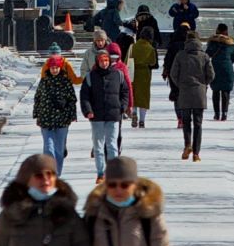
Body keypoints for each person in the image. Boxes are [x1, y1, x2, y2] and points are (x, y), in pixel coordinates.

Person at [79, 44, 128, 175]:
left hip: (113, 115)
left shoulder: (118, 75)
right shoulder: (90, 77)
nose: (104, 63)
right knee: (98, 146)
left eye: (106, 60)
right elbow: (84, 96)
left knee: (112, 145)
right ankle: (100, 172)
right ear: (97, 61)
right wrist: (87, 111)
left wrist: (123, 106)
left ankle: (113, 173)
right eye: (101, 60)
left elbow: (125, 92)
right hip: (96, 116)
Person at [168, 26, 214, 160]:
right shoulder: (204, 56)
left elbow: (173, 73)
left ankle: (187, 144)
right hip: (199, 92)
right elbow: (211, 74)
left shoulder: (180, 55)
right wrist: (203, 83)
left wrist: (180, 85)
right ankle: (196, 153)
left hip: (185, 92)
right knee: (198, 123)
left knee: (186, 121)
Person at [33, 50, 79, 169]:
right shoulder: (44, 81)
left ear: (60, 68)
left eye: (56, 67)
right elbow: (37, 97)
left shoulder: (65, 82)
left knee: (59, 149)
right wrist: (36, 114)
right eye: (52, 68)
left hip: (62, 120)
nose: (54, 70)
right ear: (49, 68)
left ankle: (56, 172)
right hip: (46, 119)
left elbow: (72, 99)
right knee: (48, 147)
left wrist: (71, 115)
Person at [129, 15, 159, 128]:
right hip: (145, 73)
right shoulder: (150, 48)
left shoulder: (133, 46)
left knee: (134, 95)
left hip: (133, 73)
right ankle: (142, 120)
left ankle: (134, 113)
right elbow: (152, 62)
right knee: (144, 97)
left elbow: (129, 59)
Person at [207, 22, 234, 121]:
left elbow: (208, 55)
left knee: (215, 91)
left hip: (215, 67)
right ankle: (224, 113)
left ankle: (216, 114)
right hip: (227, 68)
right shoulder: (231, 43)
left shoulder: (212, 42)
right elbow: (232, 58)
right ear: (226, 31)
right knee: (225, 92)